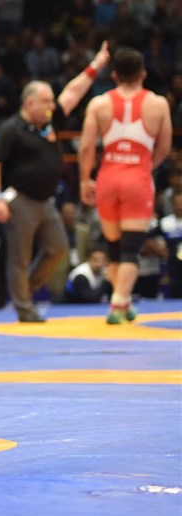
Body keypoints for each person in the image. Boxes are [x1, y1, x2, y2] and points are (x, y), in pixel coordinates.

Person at [0, 43, 111, 322]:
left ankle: (25, 290)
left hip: (46, 200)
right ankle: (24, 308)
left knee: (59, 249)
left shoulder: (50, 123)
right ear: (29, 103)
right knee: (20, 255)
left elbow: (73, 93)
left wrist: (96, 65)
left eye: (52, 101)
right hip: (19, 199)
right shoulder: (11, 129)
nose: (53, 106)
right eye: (47, 102)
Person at [78, 47, 172, 323]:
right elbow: (164, 147)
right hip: (137, 178)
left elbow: (86, 147)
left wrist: (84, 179)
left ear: (114, 75)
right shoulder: (158, 104)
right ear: (143, 73)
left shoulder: (98, 104)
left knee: (114, 247)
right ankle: (117, 304)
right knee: (131, 248)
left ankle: (124, 300)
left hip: (108, 177)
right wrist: (144, 167)